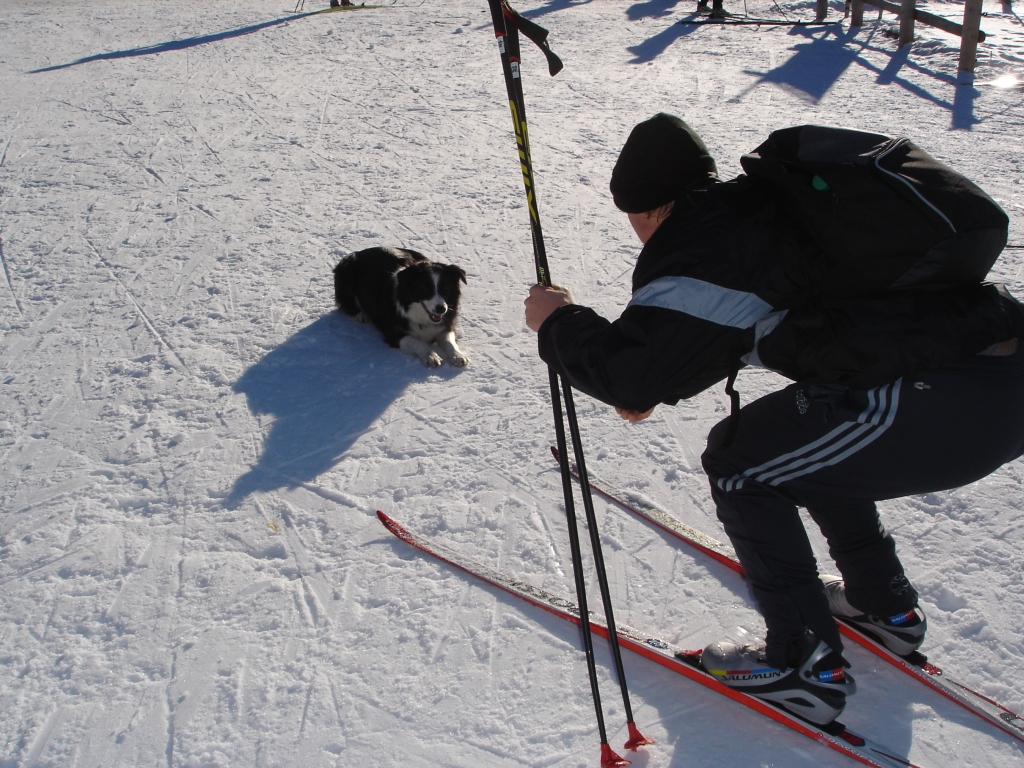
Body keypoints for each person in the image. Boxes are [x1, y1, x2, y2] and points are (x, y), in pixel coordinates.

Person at [523, 113, 1024, 725]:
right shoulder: (752, 214)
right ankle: (882, 609)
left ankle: (804, 666)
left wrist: (557, 321)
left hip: (950, 398)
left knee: (741, 465)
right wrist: (654, 380)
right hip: (988, 380)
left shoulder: (702, 243)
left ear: (649, 208)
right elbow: (701, 344)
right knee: (795, 449)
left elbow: (634, 372)